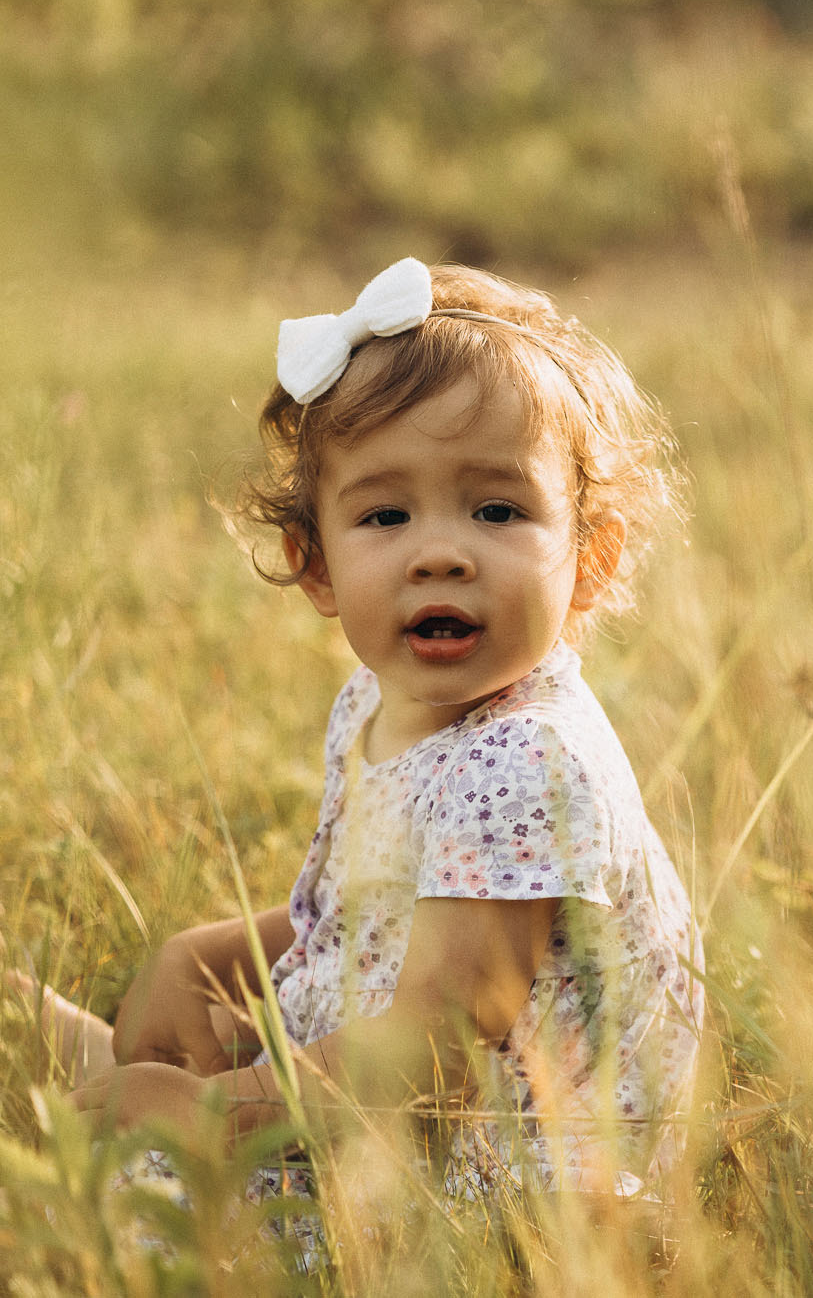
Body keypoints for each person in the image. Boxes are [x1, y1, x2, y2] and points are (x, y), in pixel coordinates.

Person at [12, 258, 702, 1198]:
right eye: (385, 514)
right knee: (62, 1058)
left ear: (592, 555)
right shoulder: (377, 702)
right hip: (367, 1091)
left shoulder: (530, 759)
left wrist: (213, 1111)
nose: (440, 553)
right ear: (318, 566)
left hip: (496, 1177)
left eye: (498, 509)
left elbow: (435, 1050)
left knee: (106, 1201)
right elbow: (369, 909)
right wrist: (202, 956)